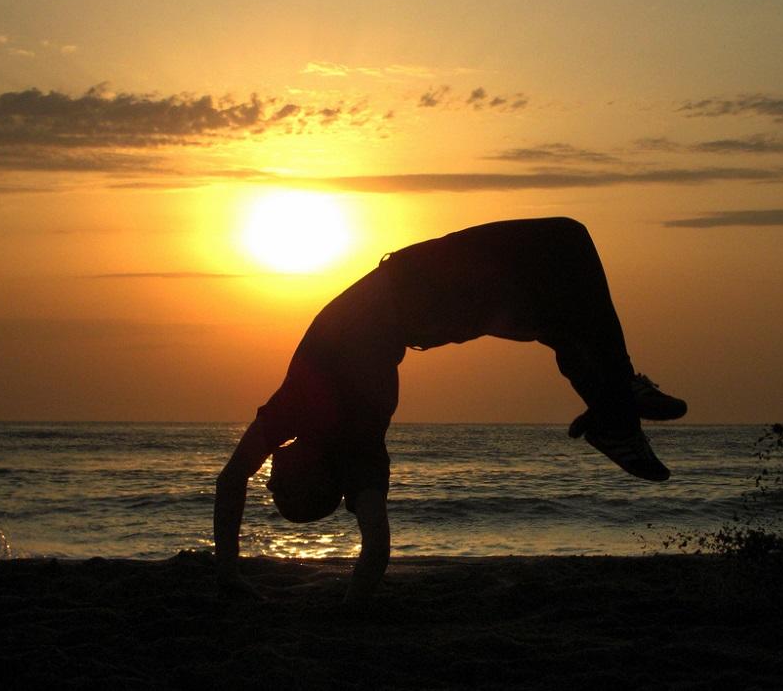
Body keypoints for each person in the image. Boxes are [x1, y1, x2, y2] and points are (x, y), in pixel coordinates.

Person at [214, 217, 687, 602]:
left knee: (560, 314)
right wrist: (232, 574)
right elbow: (232, 479)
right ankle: (617, 401)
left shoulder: (358, 452)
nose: (268, 473)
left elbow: (375, 545)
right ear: (304, 472)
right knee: (567, 240)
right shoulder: (302, 410)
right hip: (418, 285)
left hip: (432, 316)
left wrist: (232, 576)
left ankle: (614, 409)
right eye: (277, 483)